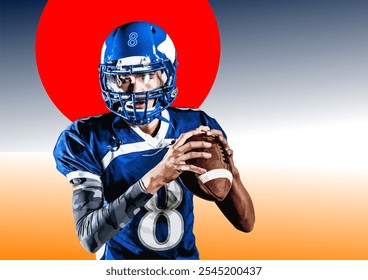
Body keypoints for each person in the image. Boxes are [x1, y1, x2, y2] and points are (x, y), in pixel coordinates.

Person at [53, 21, 255, 260]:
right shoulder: (86, 137)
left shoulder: (195, 126)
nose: (135, 89)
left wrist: (232, 172)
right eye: (123, 79)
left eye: (147, 75)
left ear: (165, 76)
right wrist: (156, 178)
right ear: (108, 80)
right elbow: (90, 237)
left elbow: (246, 223)